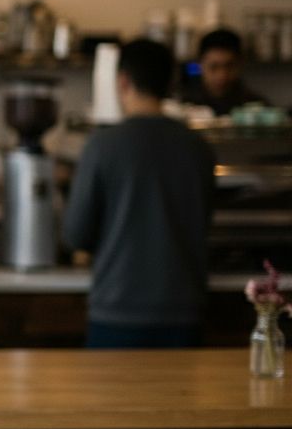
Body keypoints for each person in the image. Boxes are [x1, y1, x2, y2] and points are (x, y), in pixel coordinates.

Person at [65, 39, 216, 349]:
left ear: (123, 82)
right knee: (179, 398)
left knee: (113, 399)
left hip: (117, 312)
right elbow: (205, 222)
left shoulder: (102, 145)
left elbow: (76, 233)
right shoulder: (198, 148)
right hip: (183, 311)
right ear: (170, 83)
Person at [178, 28, 267, 116]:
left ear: (240, 64)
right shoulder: (181, 106)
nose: (222, 75)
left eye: (229, 66)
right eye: (214, 67)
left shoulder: (257, 109)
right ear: (200, 64)